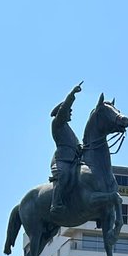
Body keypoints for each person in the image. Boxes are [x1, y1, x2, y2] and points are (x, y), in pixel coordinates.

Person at [48, 82, 83, 218]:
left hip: (73, 160)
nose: (71, 114)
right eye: (69, 112)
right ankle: (56, 203)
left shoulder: (69, 129)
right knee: (63, 175)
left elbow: (76, 146)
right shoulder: (58, 123)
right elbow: (64, 108)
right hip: (62, 160)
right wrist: (72, 94)